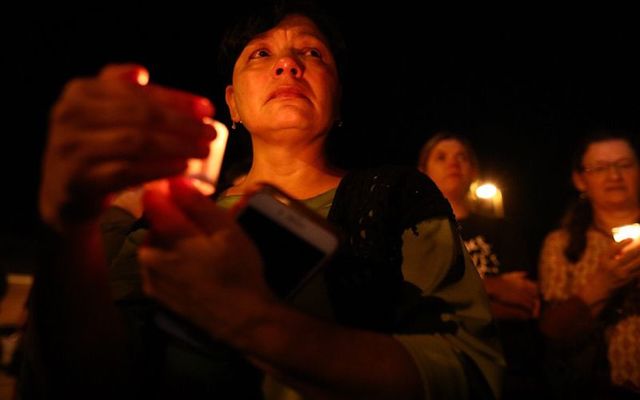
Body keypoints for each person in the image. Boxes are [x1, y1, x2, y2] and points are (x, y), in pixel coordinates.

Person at [25, 1, 504, 399]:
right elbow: (85, 377)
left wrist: (262, 326)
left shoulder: (399, 196)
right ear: (232, 103)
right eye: (259, 54)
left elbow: (471, 371)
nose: (287, 63)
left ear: (338, 100)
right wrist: (71, 225)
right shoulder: (178, 213)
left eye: (312, 53)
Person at [418, 131, 543, 399]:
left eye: (462, 157)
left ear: (473, 170)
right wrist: (494, 286)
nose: (453, 163)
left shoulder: (502, 229)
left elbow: (522, 304)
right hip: (443, 370)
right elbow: (418, 304)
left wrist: (445, 302)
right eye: (441, 157)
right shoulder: (415, 235)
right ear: (423, 172)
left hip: (512, 367)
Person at [538, 130, 640, 399]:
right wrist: (603, 284)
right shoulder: (563, 244)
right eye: (600, 168)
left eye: (624, 165)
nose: (615, 176)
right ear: (580, 180)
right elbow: (552, 333)